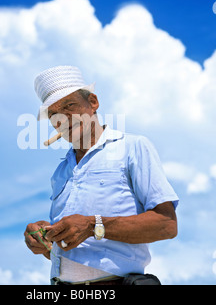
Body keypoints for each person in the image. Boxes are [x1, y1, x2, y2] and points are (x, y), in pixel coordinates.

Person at [24, 65, 179, 285]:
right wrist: (44, 240)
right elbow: (72, 247)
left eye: (70, 105)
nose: (63, 118)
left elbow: (167, 225)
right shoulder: (61, 172)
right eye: (53, 114)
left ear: (93, 102)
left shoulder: (132, 147)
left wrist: (92, 226)